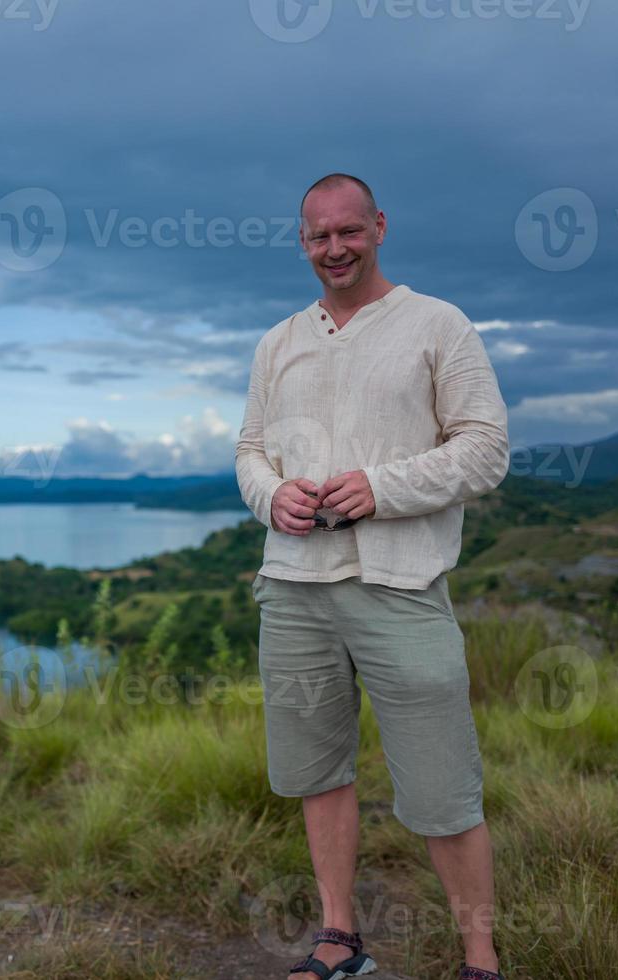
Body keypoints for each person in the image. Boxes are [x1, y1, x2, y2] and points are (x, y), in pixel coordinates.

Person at [235, 173, 511, 980]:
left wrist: (381, 490)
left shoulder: (438, 325)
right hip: (292, 587)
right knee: (317, 771)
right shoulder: (278, 341)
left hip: (401, 586)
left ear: (380, 226)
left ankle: (480, 959)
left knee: (442, 786)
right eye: (319, 236)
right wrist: (270, 495)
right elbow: (251, 450)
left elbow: (486, 447)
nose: (335, 249)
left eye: (349, 231)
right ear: (302, 242)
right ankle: (339, 938)